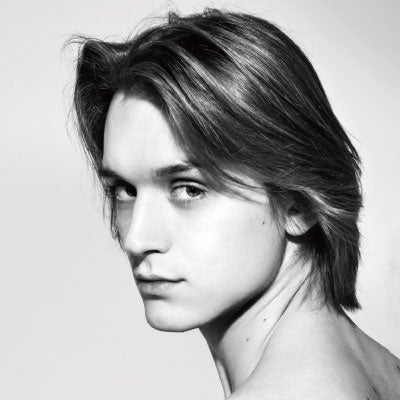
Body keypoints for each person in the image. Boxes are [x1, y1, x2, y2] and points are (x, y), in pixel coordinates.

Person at [70, 9, 400, 400]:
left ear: (299, 203)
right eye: (125, 189)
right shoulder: (380, 370)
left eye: (189, 189)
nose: (136, 239)